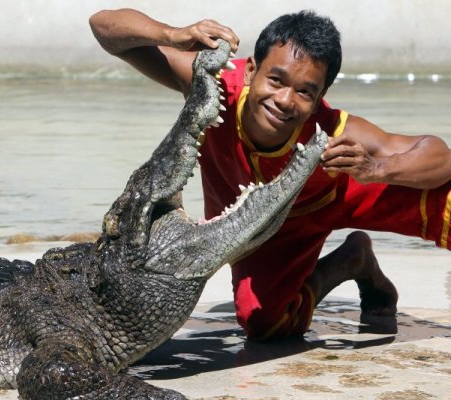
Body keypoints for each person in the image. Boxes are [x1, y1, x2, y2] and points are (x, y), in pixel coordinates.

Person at [89, 9, 451, 340]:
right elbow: (103, 28)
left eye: (306, 91)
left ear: (321, 94)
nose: (285, 100)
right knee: (266, 325)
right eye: (276, 79)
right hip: (267, 225)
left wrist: (377, 169)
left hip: (341, 191)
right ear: (250, 70)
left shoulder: (336, 130)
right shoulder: (215, 89)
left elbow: (440, 157)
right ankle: (352, 261)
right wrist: (171, 34)